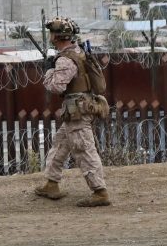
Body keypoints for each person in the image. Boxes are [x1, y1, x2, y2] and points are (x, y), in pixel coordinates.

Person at [32, 18, 111, 207]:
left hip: (78, 109)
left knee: (83, 148)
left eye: (52, 33)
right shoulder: (77, 51)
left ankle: (99, 191)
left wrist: (49, 71)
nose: (50, 37)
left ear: (57, 37)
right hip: (77, 108)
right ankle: (52, 183)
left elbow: (56, 87)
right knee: (61, 144)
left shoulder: (66, 59)